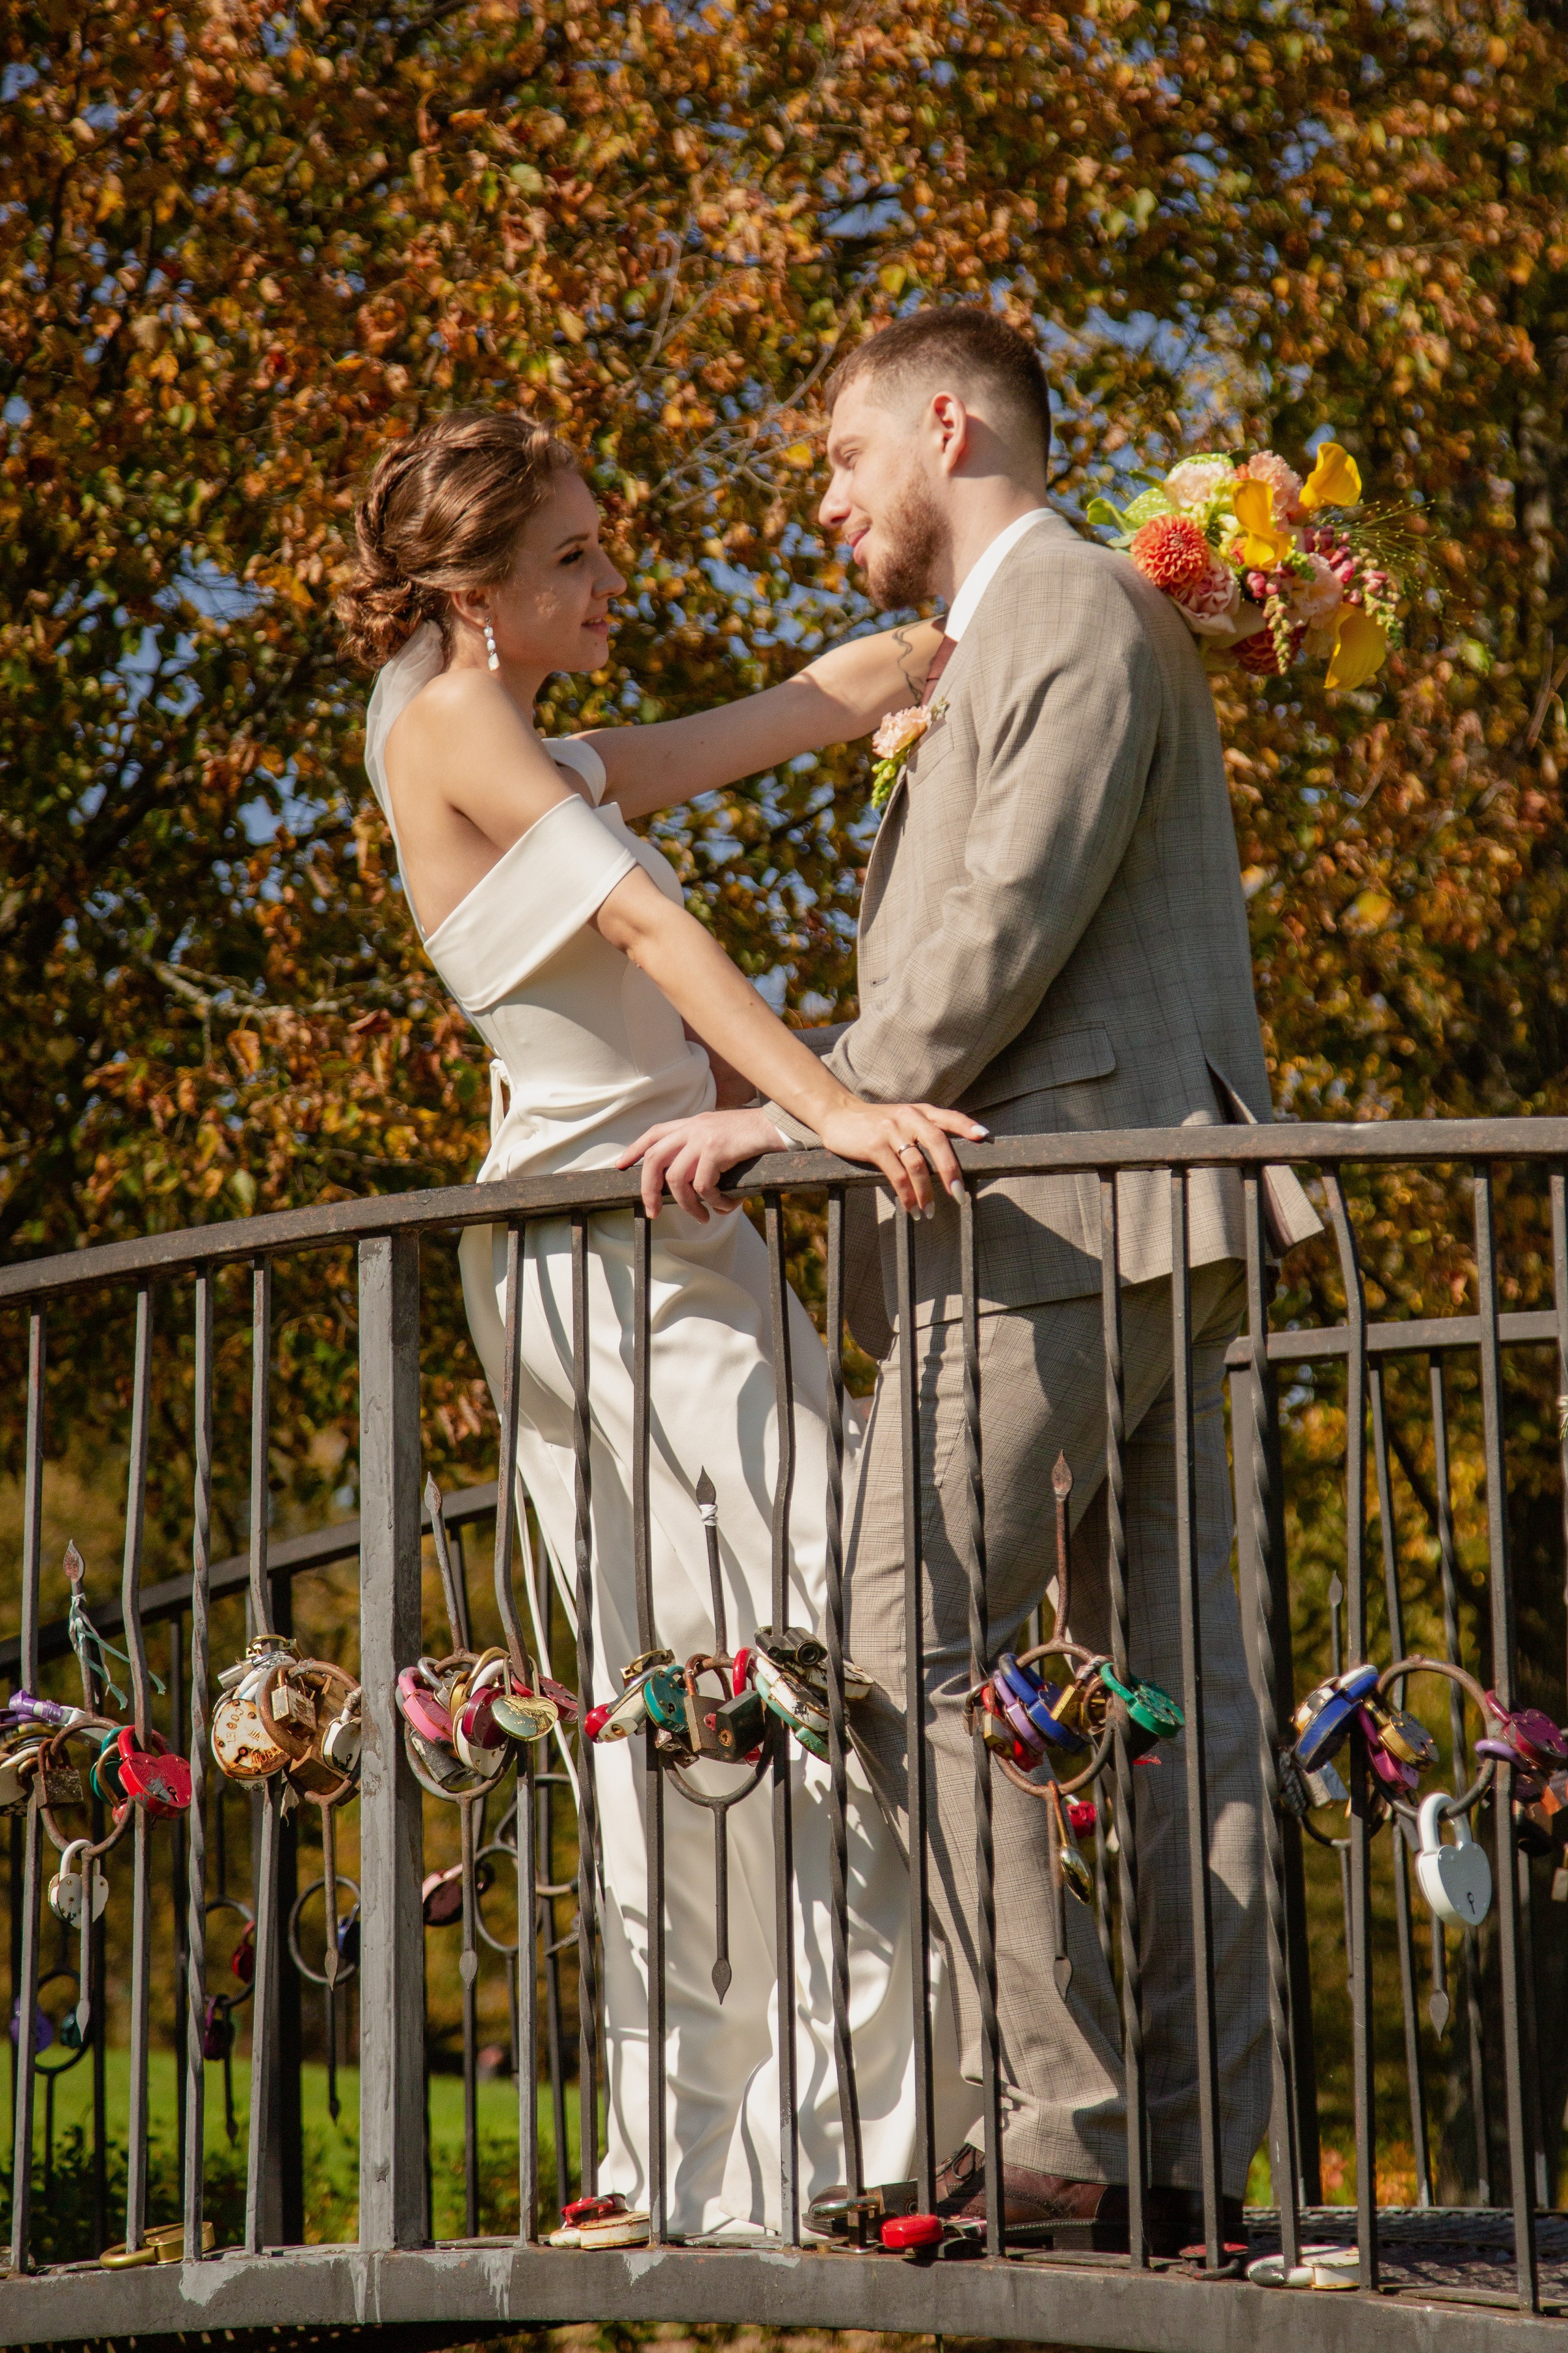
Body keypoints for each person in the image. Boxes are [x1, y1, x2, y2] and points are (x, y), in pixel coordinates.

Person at [624, 306, 1320, 2251]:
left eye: (844, 459)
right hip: (1137, 1210)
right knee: (1181, 1707)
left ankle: (1076, 2130)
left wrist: (807, 1112)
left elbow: (1002, 922)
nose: (829, 502)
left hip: (1064, 1224)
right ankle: (1181, 2156)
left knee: (895, 1649)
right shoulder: (1044, 627)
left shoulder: (1077, 608)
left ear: (950, 425)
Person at [337, 407, 985, 2239]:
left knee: (665, 1692)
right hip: (636, 1255)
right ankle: (858, 2143)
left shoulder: (453, 710)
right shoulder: (465, 718)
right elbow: (647, 926)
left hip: (569, 1256)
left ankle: (697, 2153)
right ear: (476, 594)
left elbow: (683, 759)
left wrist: (853, 687)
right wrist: (831, 1114)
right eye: (573, 561)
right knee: (817, 1655)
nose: (610, 579)